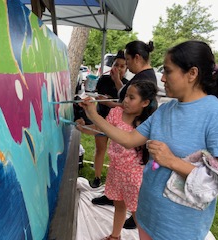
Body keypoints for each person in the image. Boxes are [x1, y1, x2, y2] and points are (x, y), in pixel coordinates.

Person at [79, 40, 218, 240]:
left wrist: (172, 161)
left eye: (168, 71)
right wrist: (94, 116)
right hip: (147, 218)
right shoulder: (166, 110)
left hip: (178, 230)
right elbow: (129, 139)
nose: (162, 78)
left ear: (192, 74)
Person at [76, 80, 158, 240]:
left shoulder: (145, 125)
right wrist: (83, 127)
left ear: (145, 102)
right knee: (119, 204)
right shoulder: (115, 113)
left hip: (134, 177)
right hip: (115, 170)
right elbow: (100, 130)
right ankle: (115, 235)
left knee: (137, 214)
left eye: (131, 98)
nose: (125, 101)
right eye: (126, 96)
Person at [95, 40, 159, 229]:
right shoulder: (141, 77)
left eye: (128, 61)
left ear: (137, 58)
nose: (127, 66)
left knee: (136, 208)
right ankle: (117, 231)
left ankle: (138, 225)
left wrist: (105, 107)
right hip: (118, 168)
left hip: (132, 170)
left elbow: (129, 135)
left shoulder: (145, 80)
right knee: (120, 203)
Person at [89, 50, 129, 188]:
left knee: (117, 153)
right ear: (112, 65)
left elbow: (125, 104)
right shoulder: (103, 79)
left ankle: (114, 181)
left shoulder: (127, 85)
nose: (118, 69)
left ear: (126, 69)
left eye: (122, 66)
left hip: (118, 124)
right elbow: (98, 98)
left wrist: (111, 103)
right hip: (101, 118)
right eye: (116, 65)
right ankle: (97, 177)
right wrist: (100, 100)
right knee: (100, 149)